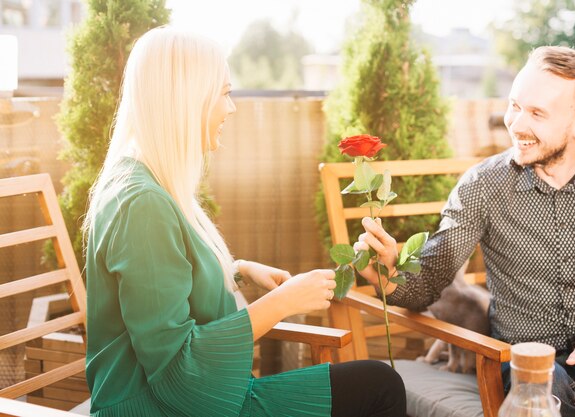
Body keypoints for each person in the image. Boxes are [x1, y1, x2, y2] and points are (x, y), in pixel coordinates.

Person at [83, 27, 406, 417]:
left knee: (378, 383)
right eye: (224, 93)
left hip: (189, 398)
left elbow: (156, 287)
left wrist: (235, 270)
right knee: (379, 388)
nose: (231, 107)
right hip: (161, 406)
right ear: (187, 100)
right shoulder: (141, 204)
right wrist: (282, 303)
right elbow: (176, 372)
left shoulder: (145, 182)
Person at [355, 46, 575, 417]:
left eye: (536, 113)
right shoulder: (483, 185)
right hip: (526, 364)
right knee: (538, 404)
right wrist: (389, 276)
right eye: (515, 105)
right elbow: (430, 278)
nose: (515, 124)